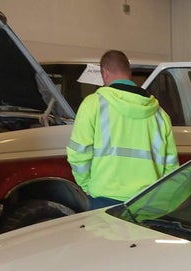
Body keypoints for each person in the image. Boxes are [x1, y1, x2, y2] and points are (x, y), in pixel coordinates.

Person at [67, 50, 179, 209]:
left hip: (103, 199)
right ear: (129, 73)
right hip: (148, 201)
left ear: (105, 74)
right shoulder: (160, 115)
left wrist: (87, 186)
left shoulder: (93, 105)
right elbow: (171, 166)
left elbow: (78, 153)